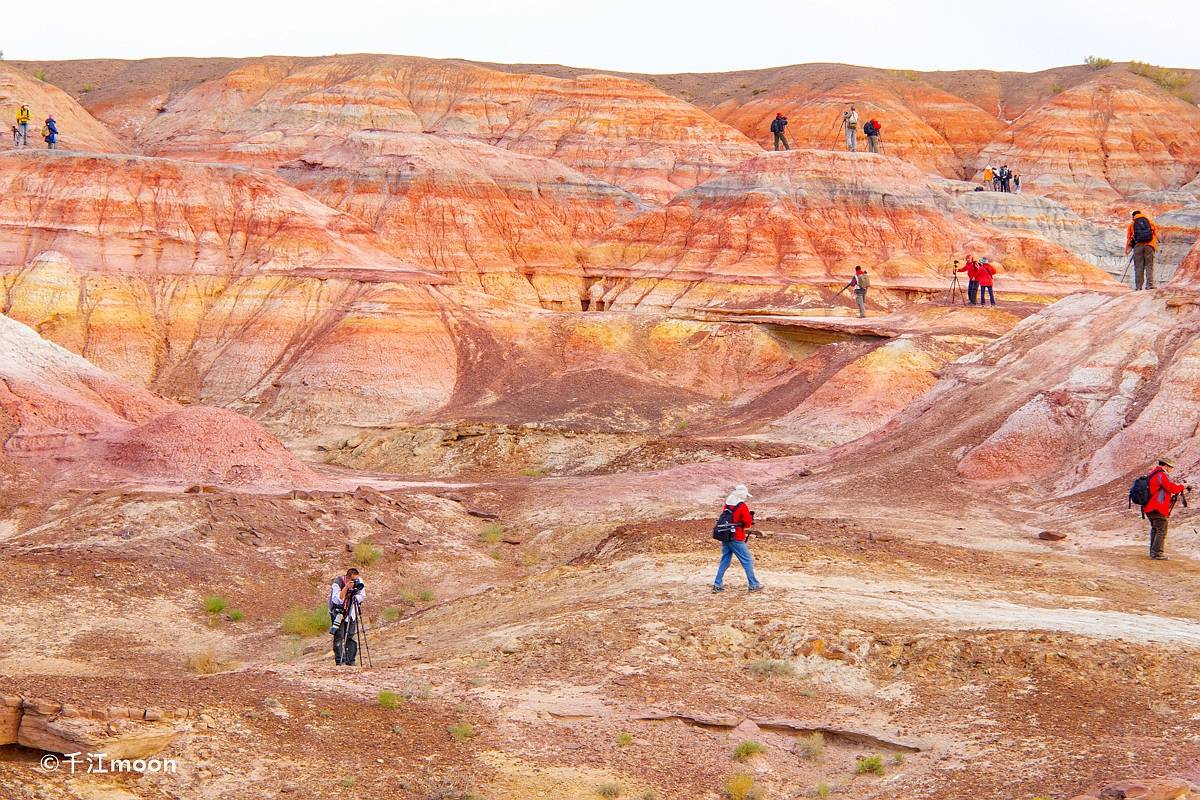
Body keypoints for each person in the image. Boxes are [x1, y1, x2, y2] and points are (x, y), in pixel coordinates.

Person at [712, 484, 763, 593]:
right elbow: (747, 523)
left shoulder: (728, 504)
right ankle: (753, 584)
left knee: (725, 560)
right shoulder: (741, 505)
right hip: (736, 537)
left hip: (725, 535)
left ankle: (717, 584)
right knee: (747, 560)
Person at [1141, 458, 1188, 560]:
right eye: (1171, 467)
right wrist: (1182, 486)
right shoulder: (1160, 475)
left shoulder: (1152, 474)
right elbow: (1171, 488)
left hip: (1149, 507)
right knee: (1161, 530)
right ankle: (1157, 553)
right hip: (1157, 507)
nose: (1172, 469)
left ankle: (1153, 552)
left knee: (1155, 529)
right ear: (1166, 466)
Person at [329, 567, 366, 665]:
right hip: (338, 612)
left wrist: (354, 597)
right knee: (339, 635)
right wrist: (346, 588)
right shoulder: (337, 583)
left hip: (351, 611)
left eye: (357, 579)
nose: (356, 581)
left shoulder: (359, 581)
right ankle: (340, 661)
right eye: (353, 580)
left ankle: (351, 661)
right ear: (348, 578)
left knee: (350, 635)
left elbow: (362, 595)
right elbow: (337, 600)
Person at [1126, 210, 1159, 291]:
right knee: (1149, 266)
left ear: (1133, 216)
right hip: (1149, 246)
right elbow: (1155, 233)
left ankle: (1138, 287)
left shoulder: (1132, 224)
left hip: (1138, 246)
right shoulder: (1150, 222)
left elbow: (1129, 238)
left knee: (1138, 267)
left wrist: (1128, 249)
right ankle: (1149, 285)